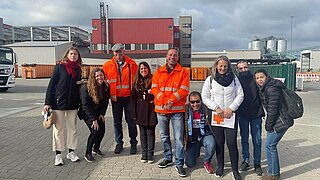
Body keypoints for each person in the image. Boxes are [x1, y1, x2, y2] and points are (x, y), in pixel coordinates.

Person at [201, 55, 244, 180]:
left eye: (225, 66)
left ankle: (235, 170)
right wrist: (216, 107)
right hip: (217, 116)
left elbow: (240, 95)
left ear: (228, 67)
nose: (223, 68)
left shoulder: (234, 80)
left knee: (231, 143)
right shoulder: (210, 80)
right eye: (220, 66)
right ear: (216, 66)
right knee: (219, 143)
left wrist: (232, 108)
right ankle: (220, 166)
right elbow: (205, 97)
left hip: (231, 116)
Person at [151, 48, 190, 177]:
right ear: (166, 56)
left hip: (177, 111)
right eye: (170, 55)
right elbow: (154, 88)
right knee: (164, 136)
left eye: (174, 55)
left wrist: (171, 101)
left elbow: (184, 90)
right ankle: (168, 157)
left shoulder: (183, 72)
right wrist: (164, 100)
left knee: (178, 138)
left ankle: (179, 164)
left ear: (177, 57)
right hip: (162, 110)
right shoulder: (158, 72)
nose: (172, 57)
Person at [43, 47, 82, 166]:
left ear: (78, 57)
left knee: (72, 129)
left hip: (73, 104)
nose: (73, 56)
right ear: (67, 55)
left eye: (75, 54)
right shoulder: (60, 67)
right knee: (58, 129)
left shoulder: (78, 69)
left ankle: (71, 152)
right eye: (71, 53)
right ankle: (58, 155)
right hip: (58, 103)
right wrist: (47, 102)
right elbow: (52, 85)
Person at [254, 69, 294, 180]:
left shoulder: (271, 88)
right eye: (257, 78)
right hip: (279, 120)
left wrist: (268, 125)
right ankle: (273, 172)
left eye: (261, 77)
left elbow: (273, 110)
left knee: (270, 145)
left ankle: (274, 174)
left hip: (281, 120)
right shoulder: (268, 86)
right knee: (270, 145)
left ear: (266, 77)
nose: (259, 80)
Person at [102, 43, 138, 154]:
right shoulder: (107, 65)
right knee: (117, 122)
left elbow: (137, 80)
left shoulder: (132, 64)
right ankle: (119, 143)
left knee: (131, 121)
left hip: (129, 98)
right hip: (115, 99)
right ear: (113, 53)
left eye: (120, 51)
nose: (118, 53)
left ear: (124, 51)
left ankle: (133, 143)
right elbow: (103, 81)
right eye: (116, 52)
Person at [236, 61, 264, 176]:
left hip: (256, 115)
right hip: (242, 115)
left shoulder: (255, 79)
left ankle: (257, 164)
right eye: (241, 68)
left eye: (245, 67)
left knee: (257, 141)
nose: (244, 70)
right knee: (244, 140)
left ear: (249, 67)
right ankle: (246, 160)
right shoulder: (236, 81)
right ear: (237, 70)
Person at [78, 68, 110, 162]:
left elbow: (105, 102)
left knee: (102, 130)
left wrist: (102, 114)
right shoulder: (86, 88)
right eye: (97, 76)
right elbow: (85, 105)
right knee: (95, 130)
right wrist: (94, 120)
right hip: (86, 112)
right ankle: (88, 153)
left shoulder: (106, 86)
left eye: (101, 75)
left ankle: (96, 148)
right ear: (93, 77)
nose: (99, 78)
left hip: (97, 112)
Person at [131, 62, 157, 164]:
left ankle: (150, 153)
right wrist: (133, 114)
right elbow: (132, 99)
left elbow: (156, 94)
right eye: (141, 69)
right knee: (142, 133)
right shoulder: (136, 82)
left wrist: (150, 97)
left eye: (145, 68)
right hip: (140, 111)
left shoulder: (153, 80)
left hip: (151, 111)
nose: (143, 70)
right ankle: (144, 153)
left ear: (148, 69)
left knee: (150, 133)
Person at [184, 91, 216, 174]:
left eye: (197, 101)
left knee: (211, 143)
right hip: (192, 139)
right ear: (189, 102)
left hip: (205, 135)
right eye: (192, 102)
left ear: (201, 101)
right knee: (190, 164)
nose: (195, 104)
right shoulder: (185, 110)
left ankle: (207, 161)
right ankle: (195, 151)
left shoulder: (206, 109)